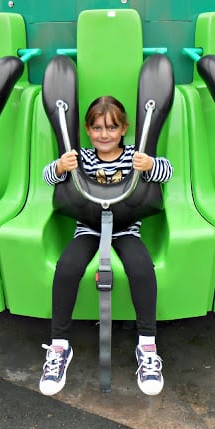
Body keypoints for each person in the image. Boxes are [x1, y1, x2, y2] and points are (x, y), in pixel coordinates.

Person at [39, 95, 173, 396]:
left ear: (124, 129)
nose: (104, 134)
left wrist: (150, 164)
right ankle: (59, 346)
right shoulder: (83, 158)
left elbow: (167, 171)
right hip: (89, 227)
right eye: (97, 128)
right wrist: (61, 166)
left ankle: (147, 346)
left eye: (111, 128)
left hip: (126, 229)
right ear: (88, 130)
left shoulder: (132, 157)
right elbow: (49, 177)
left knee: (141, 268)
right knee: (67, 267)